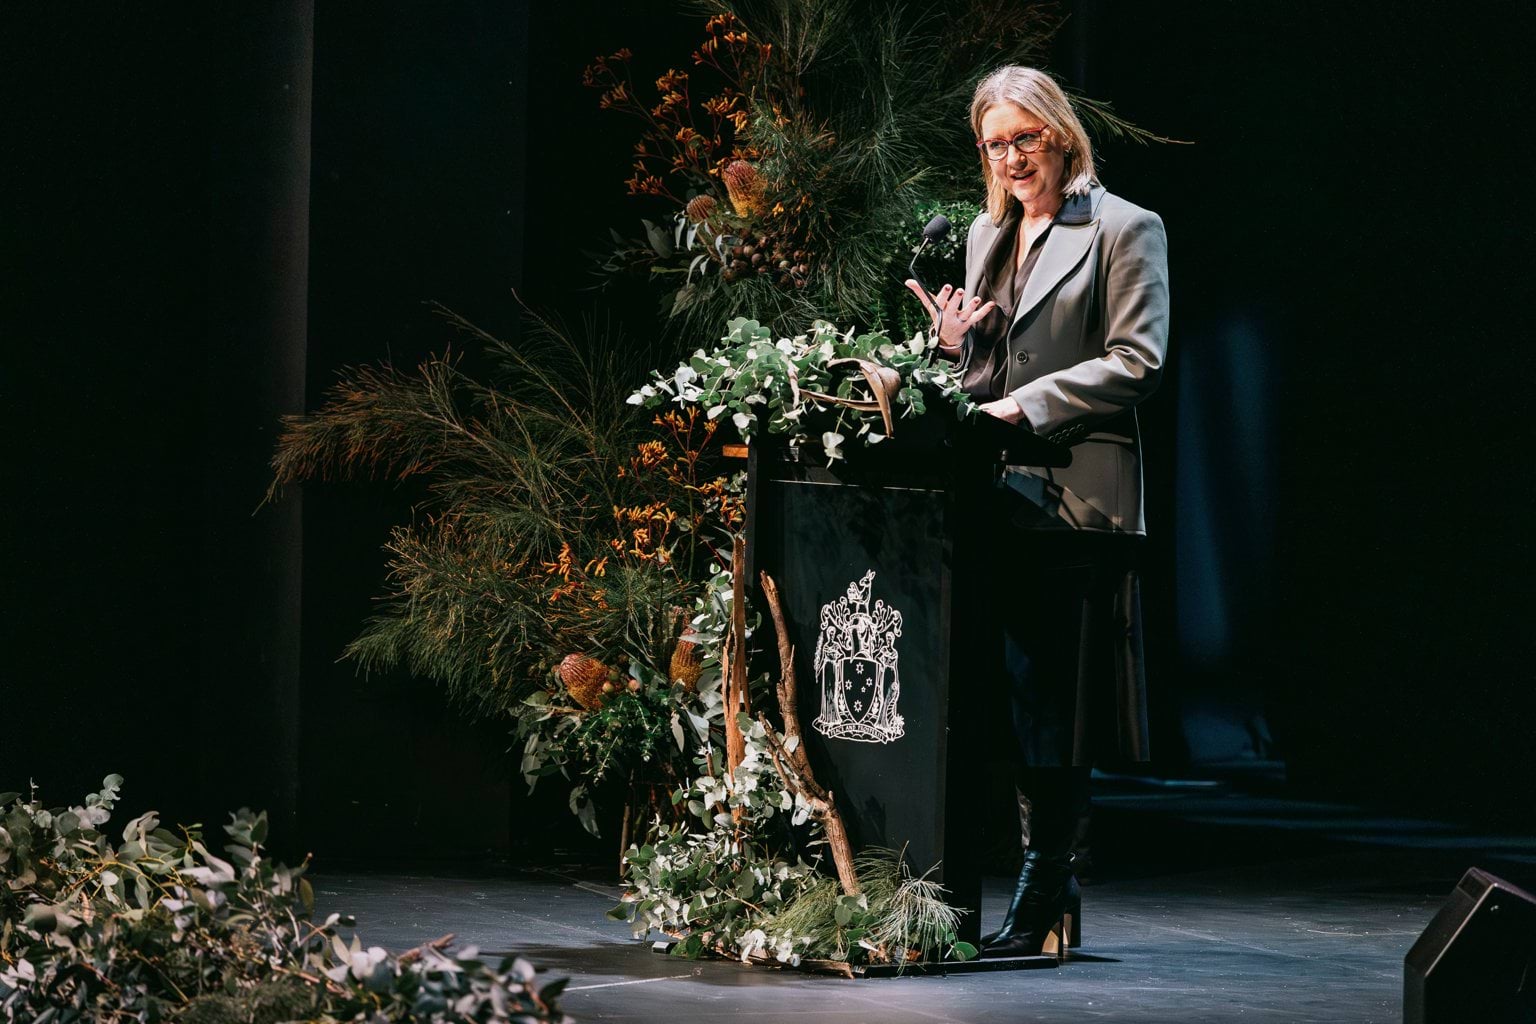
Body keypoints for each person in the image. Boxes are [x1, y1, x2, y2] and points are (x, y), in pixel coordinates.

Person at [905, 65, 1169, 958]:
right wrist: (951, 347)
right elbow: (983, 369)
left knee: (1050, 705)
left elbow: (1139, 360)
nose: (1013, 158)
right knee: (999, 699)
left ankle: (1045, 888)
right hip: (988, 499)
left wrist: (1030, 404)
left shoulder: (1124, 228)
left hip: (1073, 502)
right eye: (996, 144)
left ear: (1060, 134)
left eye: (1026, 137)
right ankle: (1006, 888)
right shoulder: (986, 233)